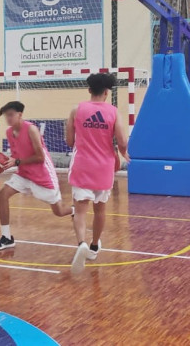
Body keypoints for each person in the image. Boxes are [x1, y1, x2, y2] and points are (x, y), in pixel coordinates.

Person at [65, 73, 129, 274]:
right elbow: (123, 142)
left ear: (89, 90)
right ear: (107, 92)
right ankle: (93, 246)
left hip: (82, 165)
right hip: (104, 167)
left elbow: (69, 141)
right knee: (100, 209)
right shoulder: (113, 112)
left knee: (80, 210)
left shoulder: (77, 109)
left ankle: (81, 243)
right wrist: (125, 155)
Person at [0, 101, 74, 251]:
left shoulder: (31, 130)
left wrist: (16, 161)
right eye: (6, 116)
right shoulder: (9, 132)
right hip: (23, 173)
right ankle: (6, 238)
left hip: (42, 174)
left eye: (11, 115)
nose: (8, 119)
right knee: (2, 195)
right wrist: (4, 162)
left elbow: (40, 157)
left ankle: (73, 210)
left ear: (20, 115)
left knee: (59, 211)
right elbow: (16, 156)